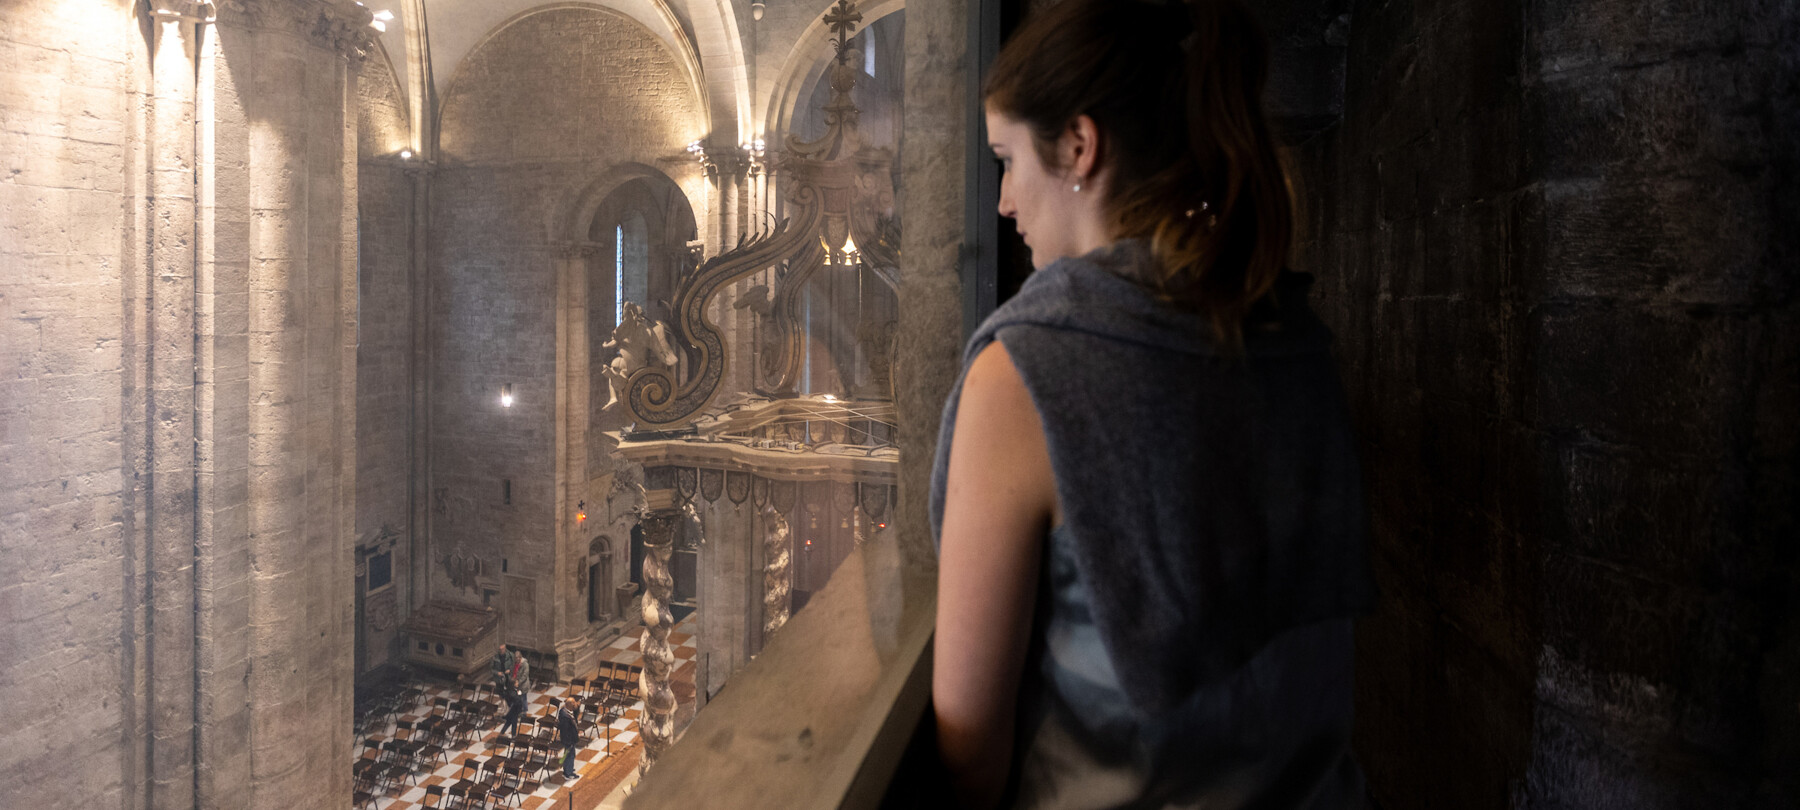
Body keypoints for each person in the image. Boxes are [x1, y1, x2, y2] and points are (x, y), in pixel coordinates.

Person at [930, 1, 1375, 808]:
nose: (1001, 202)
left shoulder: (1024, 372)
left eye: (1006, 159)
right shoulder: (1294, 337)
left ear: (1077, 146)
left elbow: (969, 752)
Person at [554, 698, 582, 782]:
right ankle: (568, 774)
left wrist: (578, 707)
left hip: (569, 738)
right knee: (570, 755)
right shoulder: (565, 716)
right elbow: (566, 731)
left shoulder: (566, 711)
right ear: (569, 705)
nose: (575, 704)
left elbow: (576, 715)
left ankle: (567, 769)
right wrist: (570, 741)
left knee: (568, 753)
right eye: (573, 703)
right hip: (568, 739)